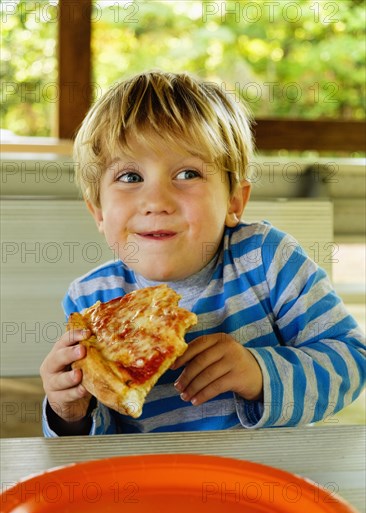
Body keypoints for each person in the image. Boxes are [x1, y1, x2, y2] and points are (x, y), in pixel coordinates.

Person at [40, 70, 365, 436]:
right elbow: (99, 440)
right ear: (98, 212)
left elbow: (351, 361)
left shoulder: (267, 261)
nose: (156, 201)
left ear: (234, 201)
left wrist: (259, 372)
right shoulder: (89, 303)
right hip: (148, 483)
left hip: (267, 478)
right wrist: (68, 410)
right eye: (130, 177)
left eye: (188, 174)